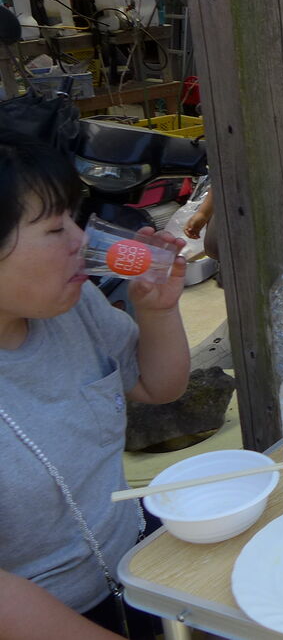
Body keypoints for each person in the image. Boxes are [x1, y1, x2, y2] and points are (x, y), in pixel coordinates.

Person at [0, 128, 191, 638]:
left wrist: (158, 312)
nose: (81, 239)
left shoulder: (74, 307)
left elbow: (157, 388)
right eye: (53, 228)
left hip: (134, 560)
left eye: (73, 217)